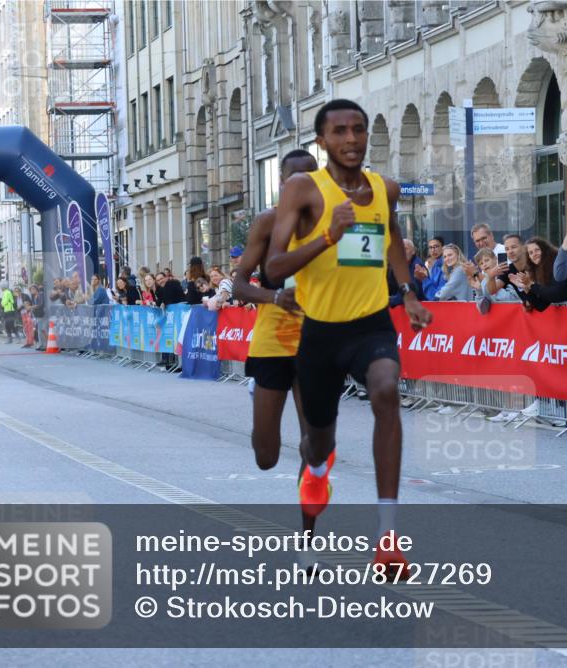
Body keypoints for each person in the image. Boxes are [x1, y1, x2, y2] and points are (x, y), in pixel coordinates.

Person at [264, 98, 431, 577]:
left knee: (385, 390)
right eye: (338, 131)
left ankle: (387, 538)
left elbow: (393, 234)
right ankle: (313, 501)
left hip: (370, 324)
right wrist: (327, 237)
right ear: (321, 141)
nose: (351, 139)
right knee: (318, 444)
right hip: (319, 332)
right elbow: (274, 270)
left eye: (358, 129)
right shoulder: (303, 189)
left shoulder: (384, 188)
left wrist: (408, 293)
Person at [233, 150, 320, 547]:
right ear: (282, 183)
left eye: (310, 177)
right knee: (266, 456)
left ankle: (307, 541)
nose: (302, 184)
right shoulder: (268, 222)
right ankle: (264, 432)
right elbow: (238, 284)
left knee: (315, 444)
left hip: (317, 342)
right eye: (294, 178)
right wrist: (272, 298)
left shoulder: (331, 224)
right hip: (272, 343)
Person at [509, 236, 567, 310]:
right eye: (530, 253)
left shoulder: (558, 264)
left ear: (545, 250)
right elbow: (541, 305)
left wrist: (530, 284)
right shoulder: (538, 272)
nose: (534, 254)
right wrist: (525, 287)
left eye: (537, 250)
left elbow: (555, 295)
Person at [388, 239, 427, 307]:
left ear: (413, 251)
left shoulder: (417, 265)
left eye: (405, 249)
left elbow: (409, 293)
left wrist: (389, 300)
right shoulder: (401, 265)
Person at [421, 236, 446, 300]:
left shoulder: (446, 265)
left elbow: (435, 296)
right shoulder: (434, 266)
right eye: (430, 247)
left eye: (436, 246)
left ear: (443, 247)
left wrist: (424, 279)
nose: (433, 250)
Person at [30, 284, 47, 350]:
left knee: (42, 330)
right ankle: (41, 344)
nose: (32, 291)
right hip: (37, 314)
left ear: (36, 289)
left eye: (33, 289)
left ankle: (44, 345)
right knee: (39, 330)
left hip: (42, 314)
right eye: (31, 289)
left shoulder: (40, 294)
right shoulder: (34, 296)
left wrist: (33, 307)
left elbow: (41, 304)